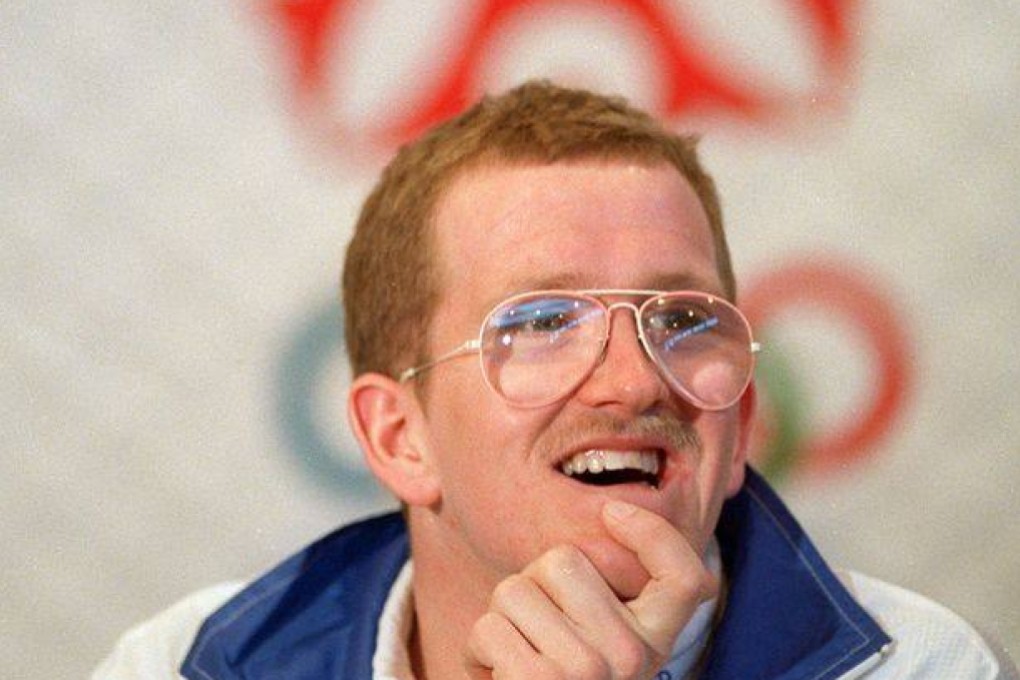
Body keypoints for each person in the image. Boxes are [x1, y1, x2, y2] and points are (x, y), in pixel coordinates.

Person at [94, 80, 1017, 679]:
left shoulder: (921, 668)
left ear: (738, 419)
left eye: (683, 320)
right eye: (538, 323)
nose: (633, 382)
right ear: (398, 438)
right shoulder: (187, 665)